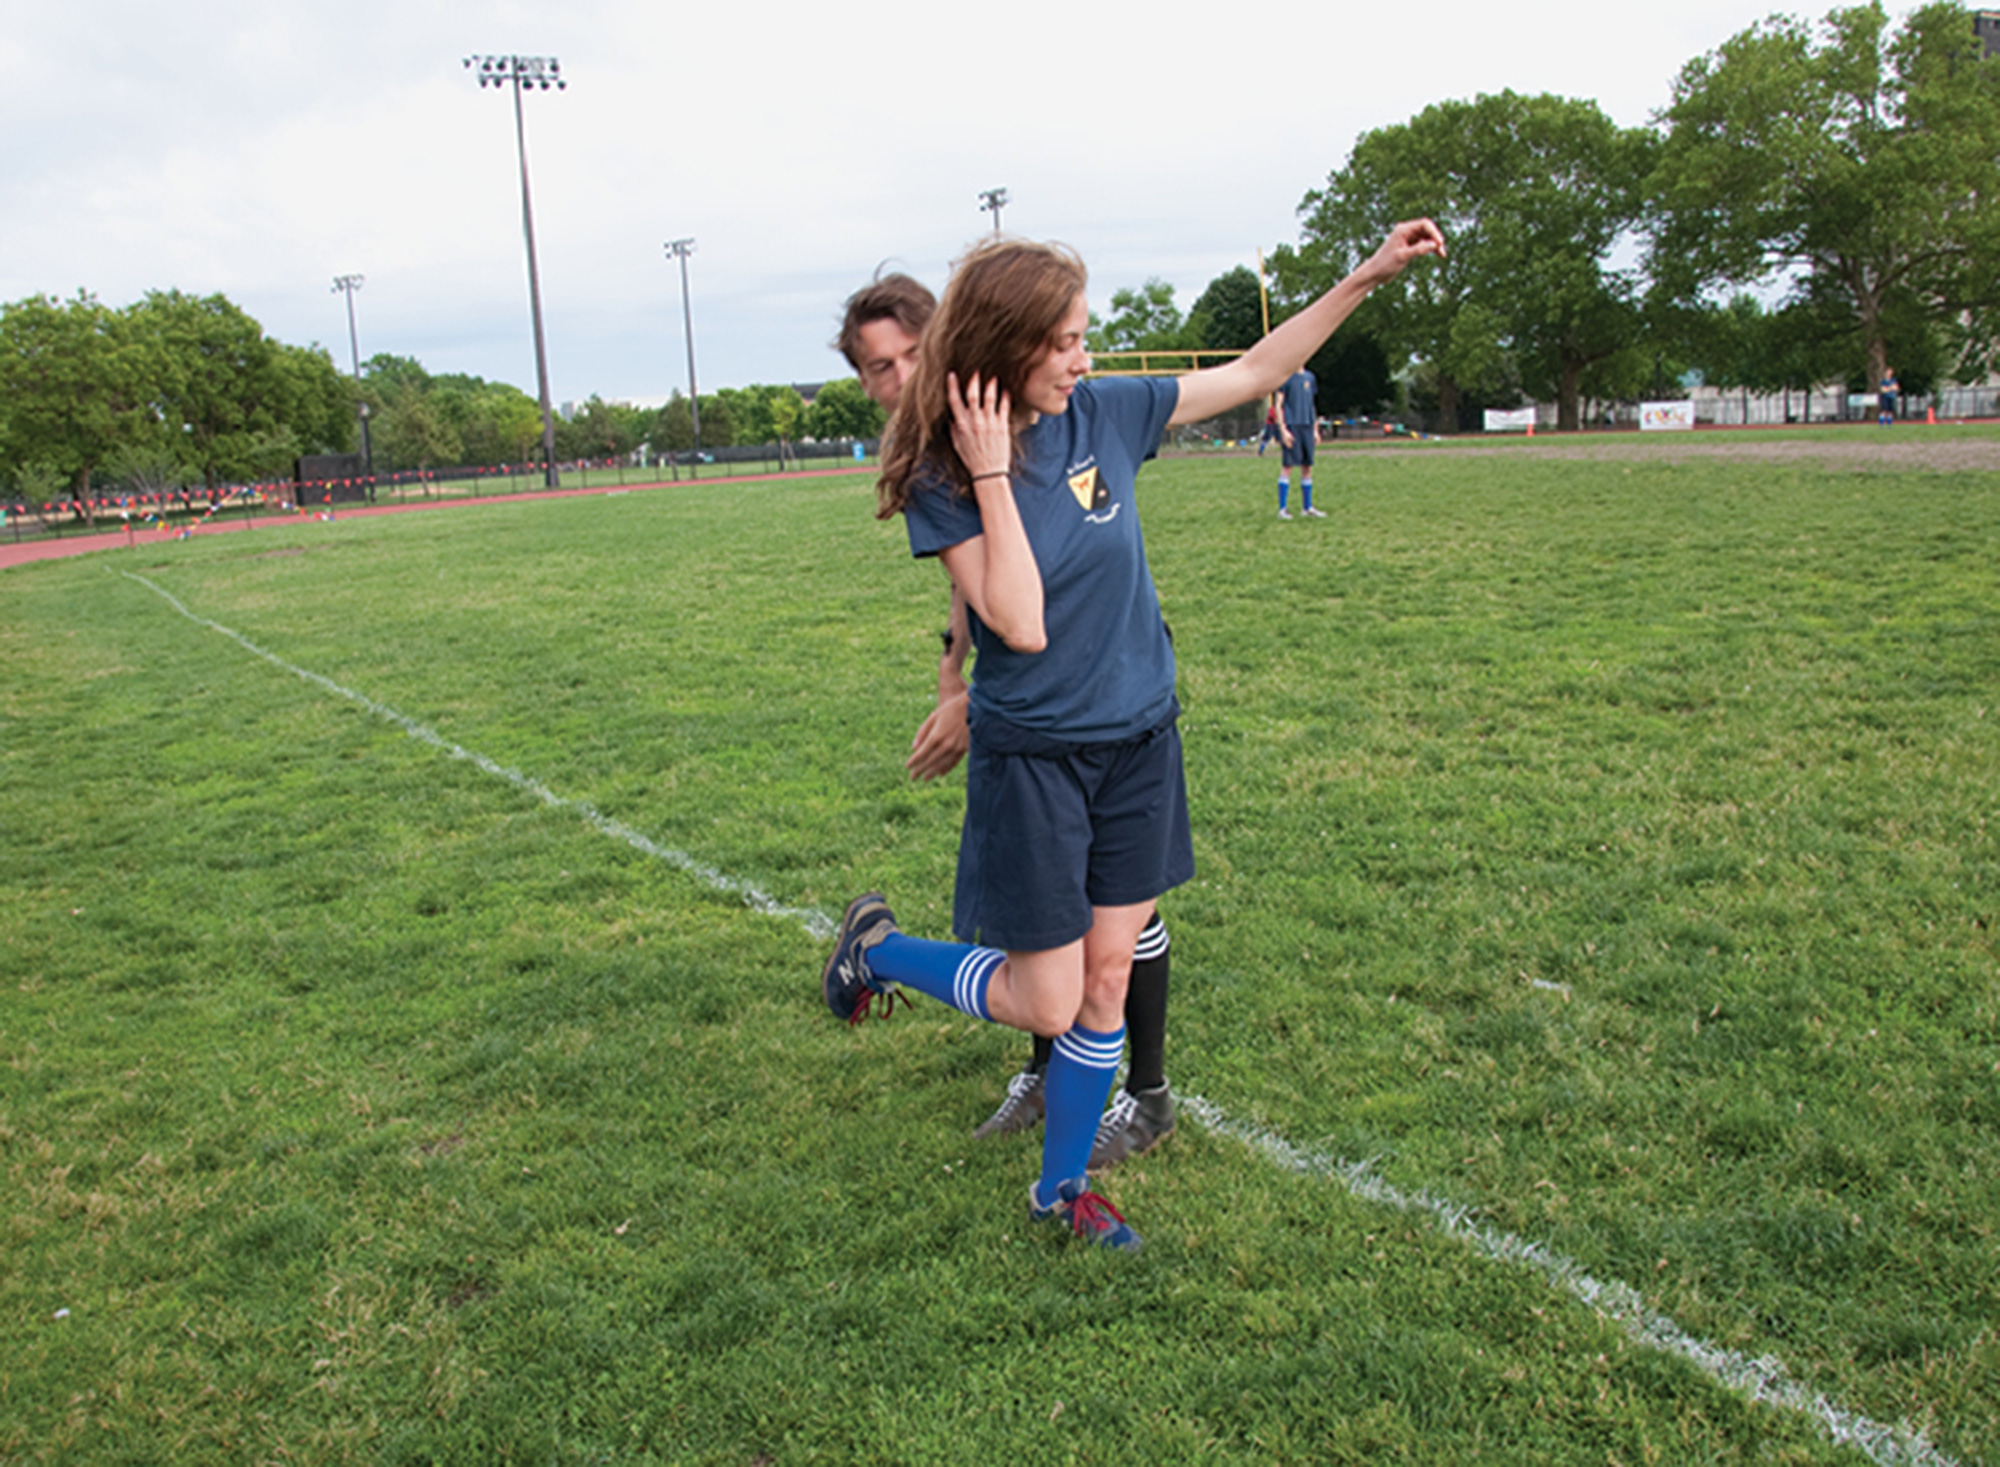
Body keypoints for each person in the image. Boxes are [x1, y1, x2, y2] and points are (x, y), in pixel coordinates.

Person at [821, 218, 1448, 1251]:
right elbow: (1016, 623)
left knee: (1108, 977)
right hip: (1038, 760)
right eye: (1065, 340)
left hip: (1139, 739)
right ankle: (878, 952)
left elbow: (1253, 369)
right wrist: (988, 472)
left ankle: (1057, 1192)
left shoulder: (1104, 413)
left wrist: (1365, 277)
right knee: (1043, 998)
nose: (1086, 358)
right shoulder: (943, 472)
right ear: (1007, 342)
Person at [833, 272, 1180, 1169]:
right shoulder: (940, 461)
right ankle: (1050, 1076)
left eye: (912, 354)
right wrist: (961, 686)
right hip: (1041, 717)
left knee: (1114, 935)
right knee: (1053, 956)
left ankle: (1142, 1092)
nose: (898, 377)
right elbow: (982, 595)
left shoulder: (1040, 410)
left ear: (950, 342)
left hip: (1116, 704)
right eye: (878, 368)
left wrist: (964, 688)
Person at [1276, 367, 1322, 518]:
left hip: (1307, 426)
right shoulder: (1286, 377)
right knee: (1288, 466)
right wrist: (1283, 430)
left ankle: (1307, 508)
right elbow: (1278, 405)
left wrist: (1315, 429)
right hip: (1292, 425)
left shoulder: (1310, 377)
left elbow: (1312, 404)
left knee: (1307, 467)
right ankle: (1282, 509)